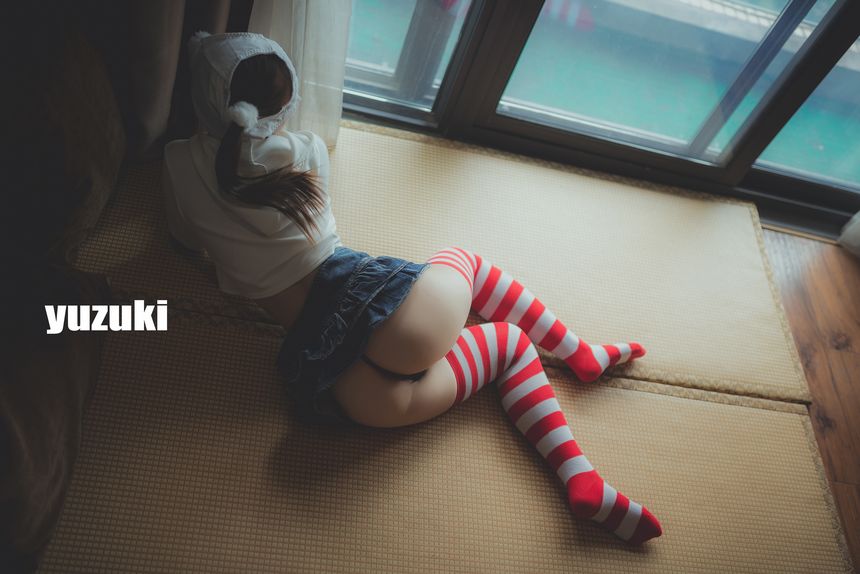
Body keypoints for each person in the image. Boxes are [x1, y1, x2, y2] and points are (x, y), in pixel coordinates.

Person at [163, 31, 662, 545]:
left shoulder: (178, 162)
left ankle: (584, 478)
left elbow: (183, 240)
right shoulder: (305, 150)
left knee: (505, 350)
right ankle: (578, 368)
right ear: (283, 109)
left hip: (353, 393)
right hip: (401, 322)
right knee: (469, 268)